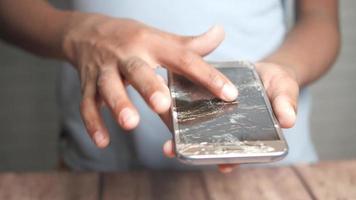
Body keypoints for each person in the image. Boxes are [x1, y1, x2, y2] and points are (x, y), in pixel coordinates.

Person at [0, 0, 340, 172]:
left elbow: (321, 18)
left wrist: (286, 68)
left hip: (274, 178)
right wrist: (80, 34)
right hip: (100, 171)